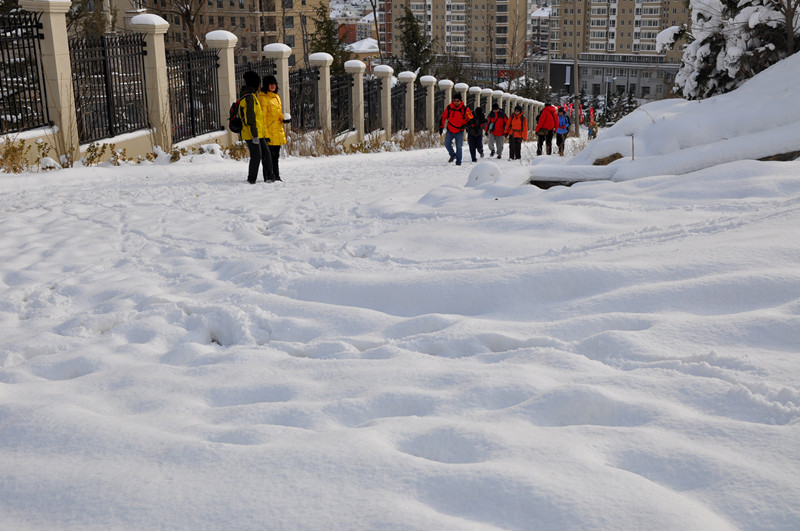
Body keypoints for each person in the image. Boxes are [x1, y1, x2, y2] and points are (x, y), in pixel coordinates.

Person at [239, 71, 274, 184]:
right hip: (252, 133)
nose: (260, 86)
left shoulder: (253, 96)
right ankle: (251, 178)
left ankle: (269, 177)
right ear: (255, 84)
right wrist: (254, 135)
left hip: (259, 133)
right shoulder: (249, 98)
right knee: (256, 155)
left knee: (266, 154)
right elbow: (250, 118)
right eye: (259, 83)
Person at [258, 74, 290, 182]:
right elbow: (262, 118)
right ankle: (269, 176)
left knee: (275, 157)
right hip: (268, 132)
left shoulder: (276, 97)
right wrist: (265, 135)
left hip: (277, 131)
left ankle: (276, 176)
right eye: (270, 84)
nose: (273, 86)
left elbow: (277, 114)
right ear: (266, 85)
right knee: (268, 157)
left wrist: (284, 118)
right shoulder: (262, 98)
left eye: (274, 84)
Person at [439, 94, 473, 166]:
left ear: (461, 101)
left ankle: (458, 162)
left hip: (459, 131)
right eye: (455, 101)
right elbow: (443, 117)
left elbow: (471, 119)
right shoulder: (449, 108)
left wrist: (465, 125)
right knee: (447, 144)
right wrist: (441, 127)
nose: (456, 102)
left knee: (459, 147)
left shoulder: (465, 109)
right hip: (450, 130)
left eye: (458, 101)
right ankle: (453, 154)